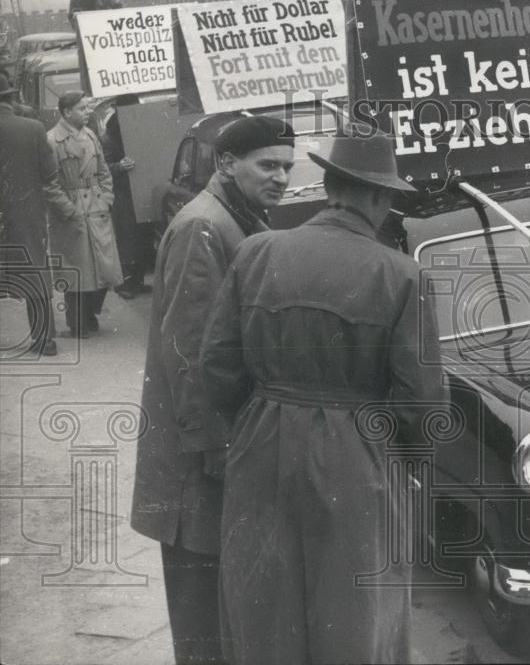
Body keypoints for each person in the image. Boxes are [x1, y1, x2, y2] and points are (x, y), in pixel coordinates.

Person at [199, 131, 445, 664]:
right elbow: (423, 406)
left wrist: (258, 417)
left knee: (263, 604)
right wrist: (402, 468)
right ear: (379, 198)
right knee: (355, 611)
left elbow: (216, 370)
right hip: (357, 453)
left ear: (328, 184)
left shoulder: (256, 251)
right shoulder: (401, 275)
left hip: (261, 441)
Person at [130, 115, 296, 664]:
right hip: (198, 466)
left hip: (212, 456)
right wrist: (221, 455)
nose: (280, 177)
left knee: (224, 614)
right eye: (267, 165)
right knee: (203, 620)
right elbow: (191, 358)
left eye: (287, 167)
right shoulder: (204, 226)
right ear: (226, 163)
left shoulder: (233, 216)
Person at [46, 91, 122, 338]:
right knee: (76, 270)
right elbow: (49, 184)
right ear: (67, 112)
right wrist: (67, 210)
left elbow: (103, 173)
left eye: (88, 108)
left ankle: (89, 313)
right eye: (82, 108)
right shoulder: (52, 140)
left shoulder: (90, 135)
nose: (88, 112)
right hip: (72, 209)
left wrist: (107, 199)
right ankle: (77, 321)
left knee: (103, 267)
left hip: (96, 207)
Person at [0, 76, 64, 355]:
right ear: (12, 99)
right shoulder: (33, 128)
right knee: (35, 272)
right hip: (24, 212)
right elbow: (50, 174)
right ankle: (44, 340)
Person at [102, 96, 153, 298]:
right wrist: (119, 166)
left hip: (139, 189)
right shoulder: (108, 137)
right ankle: (123, 284)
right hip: (122, 192)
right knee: (126, 238)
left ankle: (136, 281)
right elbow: (103, 168)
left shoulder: (139, 127)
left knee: (141, 236)